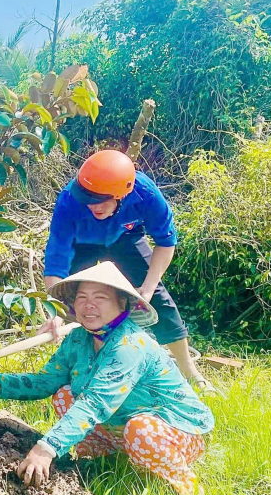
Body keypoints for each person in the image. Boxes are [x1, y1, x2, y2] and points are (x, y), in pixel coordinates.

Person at [0, 262, 214, 495]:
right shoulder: (78, 339)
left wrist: (46, 448)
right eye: (82, 297)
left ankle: (185, 486)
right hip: (121, 423)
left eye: (100, 298)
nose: (89, 305)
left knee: (140, 430)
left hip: (174, 429)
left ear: (122, 303)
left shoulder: (129, 345)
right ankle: (101, 464)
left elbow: (95, 403)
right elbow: (46, 382)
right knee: (65, 394)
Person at [43, 149, 212, 392]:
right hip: (82, 244)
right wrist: (55, 308)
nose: (93, 206)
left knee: (159, 301)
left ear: (123, 194)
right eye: (88, 199)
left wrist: (149, 287)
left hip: (125, 236)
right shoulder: (70, 199)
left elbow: (165, 243)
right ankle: (79, 368)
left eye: (100, 200)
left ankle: (189, 370)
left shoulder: (146, 194)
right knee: (74, 301)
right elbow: (56, 258)